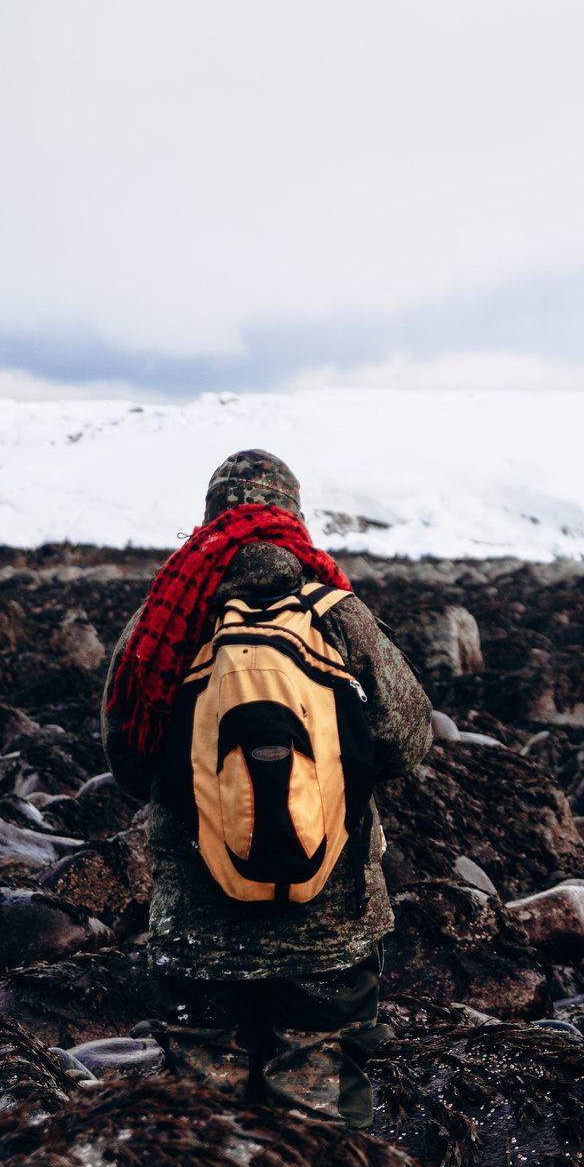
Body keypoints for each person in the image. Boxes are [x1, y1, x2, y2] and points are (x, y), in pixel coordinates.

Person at [100, 449, 432, 1128]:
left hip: (199, 930)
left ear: (208, 519)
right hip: (329, 927)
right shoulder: (339, 614)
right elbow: (408, 739)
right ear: (294, 519)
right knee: (317, 1132)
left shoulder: (168, 618)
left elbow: (129, 763)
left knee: (202, 1129)